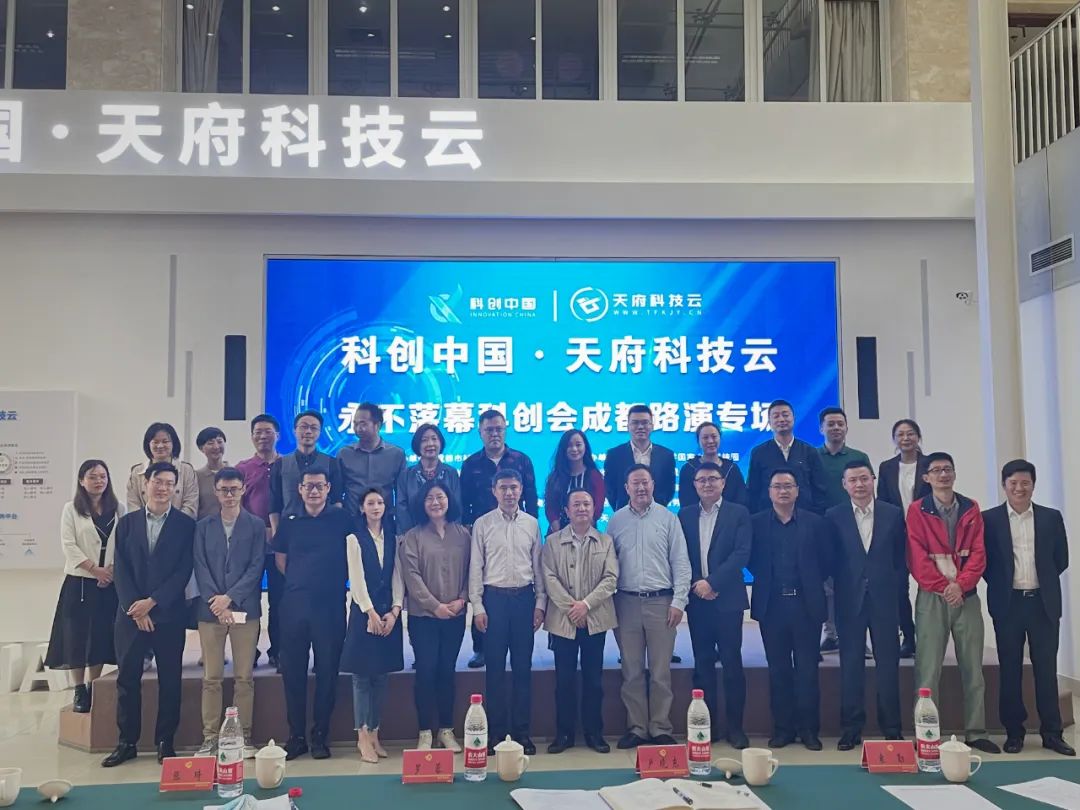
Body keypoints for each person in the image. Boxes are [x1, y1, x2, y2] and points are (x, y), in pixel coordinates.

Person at [102, 462, 196, 768]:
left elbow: (183, 571)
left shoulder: (185, 525)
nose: (163, 488)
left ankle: (165, 741)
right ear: (146, 484)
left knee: (170, 680)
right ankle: (126, 742)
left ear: (175, 489)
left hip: (168, 615)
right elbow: (121, 569)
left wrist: (153, 602)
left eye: (170, 483)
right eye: (158, 481)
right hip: (130, 616)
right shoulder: (127, 523)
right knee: (127, 679)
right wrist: (136, 607)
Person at [906, 452, 999, 754]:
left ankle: (976, 731)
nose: (943, 475)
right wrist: (944, 587)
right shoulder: (918, 510)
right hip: (932, 599)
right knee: (928, 669)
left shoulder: (971, 508)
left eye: (947, 469)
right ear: (926, 477)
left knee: (973, 668)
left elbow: (979, 554)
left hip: (966, 597)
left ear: (954, 474)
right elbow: (917, 557)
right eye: (936, 470)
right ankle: (927, 734)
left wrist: (961, 585)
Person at [982, 459, 1073, 756]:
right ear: (1004, 485)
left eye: (1025, 483)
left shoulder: (1050, 517)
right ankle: (1014, 732)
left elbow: (1061, 559)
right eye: (1013, 483)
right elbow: (986, 563)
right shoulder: (989, 519)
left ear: (1033, 485)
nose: (1019, 488)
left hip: (1043, 603)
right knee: (1010, 670)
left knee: (1046, 670)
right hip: (1008, 604)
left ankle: (1052, 733)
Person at [273, 466, 353, 761]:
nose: (314, 491)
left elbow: (354, 556)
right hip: (294, 605)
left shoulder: (342, 519)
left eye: (320, 486)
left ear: (329, 488)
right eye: (309, 486)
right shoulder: (289, 521)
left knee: (327, 672)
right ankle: (296, 736)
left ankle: (320, 735)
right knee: (293, 672)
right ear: (300, 489)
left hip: (330, 605)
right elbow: (281, 560)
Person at [609, 464, 691, 749]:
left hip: (661, 602)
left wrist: (679, 601)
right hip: (626, 602)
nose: (641, 488)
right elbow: (609, 565)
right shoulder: (616, 521)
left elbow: (681, 562)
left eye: (645, 482)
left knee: (660, 671)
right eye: (635, 483)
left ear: (653, 485)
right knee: (631, 670)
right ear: (626, 488)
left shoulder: (668, 518)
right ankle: (637, 728)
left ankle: (660, 727)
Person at [748, 468, 831, 751]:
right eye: (777, 486)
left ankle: (809, 730)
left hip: (806, 604)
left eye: (788, 486)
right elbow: (751, 560)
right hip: (772, 606)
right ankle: (783, 729)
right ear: (769, 492)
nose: (783, 491)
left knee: (808, 671)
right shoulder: (756, 523)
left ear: (797, 491)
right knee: (778, 670)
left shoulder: (816, 523)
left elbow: (826, 561)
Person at [826, 460, 905, 750]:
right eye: (853, 480)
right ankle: (851, 729)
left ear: (873, 480)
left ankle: (892, 728)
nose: (859, 485)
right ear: (844, 485)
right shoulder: (833, 516)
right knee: (851, 666)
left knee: (888, 666)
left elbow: (900, 559)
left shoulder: (892, 513)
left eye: (864, 478)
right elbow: (830, 559)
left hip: (885, 600)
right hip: (849, 600)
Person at [470, 468, 546, 755]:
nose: (509, 493)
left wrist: (540, 603)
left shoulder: (531, 524)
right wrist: (477, 605)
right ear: (494, 491)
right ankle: (496, 734)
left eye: (514, 487)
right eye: (503, 488)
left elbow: (538, 566)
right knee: (495, 672)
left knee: (523, 669)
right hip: (494, 600)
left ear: (521, 490)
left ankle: (522, 734)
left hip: (524, 599)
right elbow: (476, 566)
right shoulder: (482, 524)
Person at [192, 468, 265, 759]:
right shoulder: (203, 526)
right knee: (211, 677)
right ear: (216, 492)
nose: (229, 494)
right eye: (224, 489)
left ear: (243, 489)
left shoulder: (256, 525)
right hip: (210, 611)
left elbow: (256, 566)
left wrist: (230, 598)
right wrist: (217, 601)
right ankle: (210, 737)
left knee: (244, 677)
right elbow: (199, 565)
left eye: (234, 489)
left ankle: (243, 736)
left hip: (245, 610)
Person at [678, 461, 751, 749]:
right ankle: (707, 727)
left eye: (713, 479)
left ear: (723, 483)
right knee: (703, 664)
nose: (707, 484)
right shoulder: (684, 515)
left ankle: (736, 728)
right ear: (694, 485)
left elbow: (741, 553)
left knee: (732, 663)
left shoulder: (739, 513)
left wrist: (713, 583)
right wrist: (698, 583)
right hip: (698, 601)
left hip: (728, 599)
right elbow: (680, 555)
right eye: (701, 480)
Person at [460, 409, 539, 668]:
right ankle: (481, 649)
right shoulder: (471, 463)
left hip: (516, 529)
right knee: (484, 588)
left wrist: (530, 526)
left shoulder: (521, 460)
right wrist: (468, 529)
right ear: (480, 432)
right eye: (489, 430)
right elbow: (464, 501)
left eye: (498, 429)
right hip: (482, 531)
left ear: (505, 430)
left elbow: (531, 498)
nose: (494, 434)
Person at [542, 487, 618, 754]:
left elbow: (611, 578)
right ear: (566, 510)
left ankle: (594, 733)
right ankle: (564, 734)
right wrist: (572, 609)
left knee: (593, 680)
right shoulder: (552, 542)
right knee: (564, 680)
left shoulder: (605, 541)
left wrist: (585, 606)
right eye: (576, 504)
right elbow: (549, 578)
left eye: (587, 503)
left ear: (594, 508)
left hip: (595, 618)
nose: (582, 508)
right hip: (563, 621)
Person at [397, 480, 472, 751]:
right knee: (426, 671)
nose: (435, 502)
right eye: (429, 498)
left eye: (440, 497)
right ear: (422, 503)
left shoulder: (463, 535)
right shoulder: (413, 536)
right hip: (423, 618)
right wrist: (435, 606)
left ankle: (446, 730)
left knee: (447, 671)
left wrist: (462, 599)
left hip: (455, 615)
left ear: (449, 500)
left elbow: (472, 571)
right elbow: (411, 577)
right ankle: (425, 732)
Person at [46, 460, 125, 714]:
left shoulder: (118, 508)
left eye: (103, 476)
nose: (98, 481)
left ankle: (94, 684)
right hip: (80, 582)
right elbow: (68, 545)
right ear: (82, 480)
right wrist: (94, 569)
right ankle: (79, 688)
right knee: (77, 636)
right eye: (92, 476)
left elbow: (124, 542)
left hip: (109, 583)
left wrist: (110, 570)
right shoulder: (71, 509)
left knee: (100, 634)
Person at [341, 488, 404, 764]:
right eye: (370, 503)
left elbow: (397, 576)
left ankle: (376, 732)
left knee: (381, 676)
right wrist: (370, 612)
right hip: (363, 614)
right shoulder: (354, 539)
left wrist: (395, 610)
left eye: (380, 502)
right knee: (362, 677)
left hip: (388, 615)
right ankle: (362, 736)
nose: (376, 507)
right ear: (362, 508)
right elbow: (356, 579)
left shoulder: (393, 537)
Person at [816, 407, 872, 654]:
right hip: (824, 528)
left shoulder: (859, 457)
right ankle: (831, 634)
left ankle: (860, 637)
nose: (836, 428)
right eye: (830, 424)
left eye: (840, 423)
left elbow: (869, 492)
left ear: (847, 427)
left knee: (857, 582)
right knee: (827, 585)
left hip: (856, 526)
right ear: (821, 428)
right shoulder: (813, 456)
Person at [878, 418, 929, 659]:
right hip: (897, 535)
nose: (906, 438)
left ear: (918, 437)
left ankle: (930, 638)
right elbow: (883, 502)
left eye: (910, 433)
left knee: (929, 588)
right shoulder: (886, 467)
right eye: (900, 434)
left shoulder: (929, 465)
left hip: (926, 535)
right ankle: (909, 637)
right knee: (899, 589)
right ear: (894, 439)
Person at [235, 413, 281, 669]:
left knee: (280, 600)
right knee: (247, 599)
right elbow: (236, 506)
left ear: (278, 435)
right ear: (252, 437)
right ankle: (248, 650)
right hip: (250, 545)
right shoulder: (242, 469)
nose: (263, 436)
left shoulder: (287, 465)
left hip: (281, 546)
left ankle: (278, 650)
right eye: (258, 432)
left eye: (268, 431)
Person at [747, 401, 828, 515]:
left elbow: (819, 489)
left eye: (785, 415)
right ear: (769, 422)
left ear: (793, 418)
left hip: (805, 517)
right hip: (768, 518)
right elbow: (753, 491)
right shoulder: (758, 453)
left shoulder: (809, 451)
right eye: (776, 416)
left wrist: (816, 517)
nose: (781, 419)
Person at [270, 411, 344, 532]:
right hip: (290, 529)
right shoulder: (280, 464)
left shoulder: (332, 463)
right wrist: (276, 533)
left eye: (314, 428)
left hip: (324, 528)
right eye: (304, 427)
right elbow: (274, 504)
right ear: (294, 431)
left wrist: (337, 530)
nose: (308, 431)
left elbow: (337, 500)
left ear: (320, 432)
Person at [338, 402, 406, 518]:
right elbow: (337, 492)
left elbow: (401, 494)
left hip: (385, 521)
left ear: (377, 425)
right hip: (352, 520)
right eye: (355, 424)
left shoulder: (396, 454)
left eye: (363, 424)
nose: (358, 428)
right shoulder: (344, 454)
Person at [604, 404, 676, 511]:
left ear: (652, 426)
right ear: (628, 426)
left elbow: (669, 489)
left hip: (657, 514)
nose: (640, 427)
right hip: (625, 514)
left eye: (645, 422)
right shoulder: (614, 455)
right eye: (635, 423)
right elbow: (610, 489)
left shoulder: (666, 455)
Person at [396, 423, 461, 534]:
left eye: (434, 439)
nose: (430, 443)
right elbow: (402, 509)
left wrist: (453, 534)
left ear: (441, 443)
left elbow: (457, 506)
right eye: (424, 440)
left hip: (446, 535)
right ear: (417, 445)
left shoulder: (451, 473)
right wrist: (409, 536)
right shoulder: (406, 475)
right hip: (414, 536)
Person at [126, 422, 199, 518]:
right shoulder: (137, 472)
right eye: (155, 442)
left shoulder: (186, 470)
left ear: (173, 443)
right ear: (148, 444)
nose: (160, 446)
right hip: (143, 525)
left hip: (179, 525)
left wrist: (171, 524)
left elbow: (190, 506)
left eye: (165, 441)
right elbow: (133, 505)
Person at [543, 429, 605, 534]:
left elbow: (598, 506)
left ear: (585, 447)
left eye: (578, 445)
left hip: (588, 531)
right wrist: (560, 534)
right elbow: (551, 507)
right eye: (569, 446)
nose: (574, 449)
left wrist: (583, 531)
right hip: (559, 533)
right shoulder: (555, 477)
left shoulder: (595, 476)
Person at [678, 422, 748, 509]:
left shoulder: (732, 468)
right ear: (698, 441)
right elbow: (685, 502)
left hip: (731, 516)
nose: (710, 441)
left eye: (714, 437)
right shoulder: (688, 469)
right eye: (705, 438)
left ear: (720, 439)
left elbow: (741, 500)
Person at [194, 427, 228, 520]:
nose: (216, 447)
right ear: (201, 448)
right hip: (205, 527)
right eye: (210, 443)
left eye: (220, 442)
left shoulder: (236, 473)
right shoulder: (196, 476)